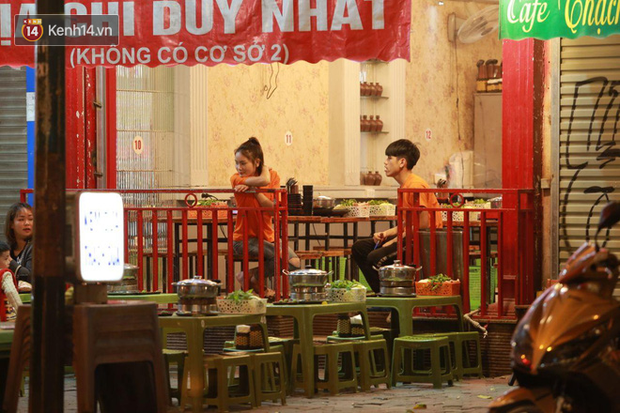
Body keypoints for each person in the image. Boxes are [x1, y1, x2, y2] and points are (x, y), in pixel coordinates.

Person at [352, 139, 443, 293]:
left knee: (374, 258)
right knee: (360, 248)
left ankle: (395, 294)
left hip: (423, 240)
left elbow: (422, 225)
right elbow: (408, 223)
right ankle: (383, 293)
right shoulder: (404, 186)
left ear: (402, 162)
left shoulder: (415, 185)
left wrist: (395, 241)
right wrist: (386, 234)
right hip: (410, 236)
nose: (385, 162)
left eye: (389, 158)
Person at [230, 137, 300, 292]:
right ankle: (259, 286)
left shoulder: (273, 176)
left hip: (268, 236)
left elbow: (271, 209)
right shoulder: (237, 179)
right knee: (280, 258)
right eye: (236, 163)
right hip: (243, 239)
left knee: (294, 263)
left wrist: (255, 192)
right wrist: (263, 171)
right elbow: (263, 180)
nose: (239, 167)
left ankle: (250, 276)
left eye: (243, 163)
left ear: (256, 162)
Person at [4, 202, 33, 283]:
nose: (27, 223)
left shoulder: (37, 247)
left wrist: (8, 260)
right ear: (11, 224)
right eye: (21, 219)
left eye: (30, 219)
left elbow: (30, 277)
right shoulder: (7, 247)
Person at [0, 241, 22, 321]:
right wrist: (22, 313)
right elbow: (11, 292)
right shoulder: (5, 274)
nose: (9, 261)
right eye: (6, 258)